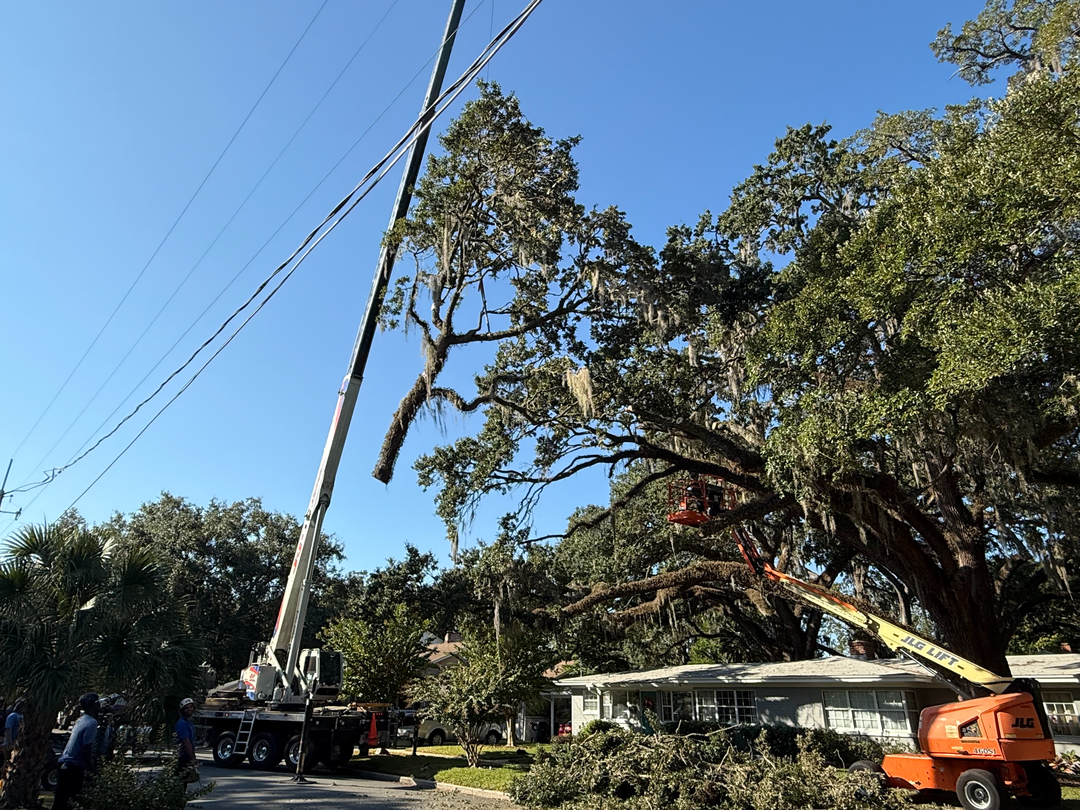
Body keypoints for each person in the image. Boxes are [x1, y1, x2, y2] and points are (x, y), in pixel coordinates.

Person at [54, 693, 100, 810]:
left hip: (64, 763)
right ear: (92, 705)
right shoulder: (92, 723)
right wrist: (91, 769)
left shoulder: (80, 720)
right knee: (72, 800)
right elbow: (86, 748)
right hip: (74, 765)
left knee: (60, 800)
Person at [176, 698, 198, 777]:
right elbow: (186, 743)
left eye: (190, 707)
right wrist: (193, 759)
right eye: (186, 708)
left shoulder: (189, 723)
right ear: (182, 710)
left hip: (186, 756)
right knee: (181, 782)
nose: (189, 709)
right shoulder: (182, 724)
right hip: (182, 758)